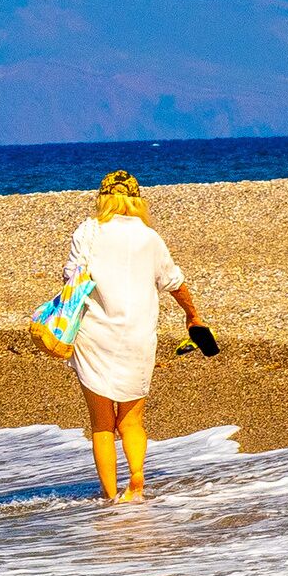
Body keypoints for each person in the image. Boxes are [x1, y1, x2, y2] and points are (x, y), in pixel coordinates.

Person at [63, 171, 207, 503]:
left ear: (102, 199)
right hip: (138, 336)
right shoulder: (149, 238)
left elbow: (72, 279)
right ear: (136, 200)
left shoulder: (89, 232)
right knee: (131, 419)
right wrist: (192, 315)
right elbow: (174, 283)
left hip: (95, 335)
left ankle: (110, 496)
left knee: (101, 424)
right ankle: (137, 478)